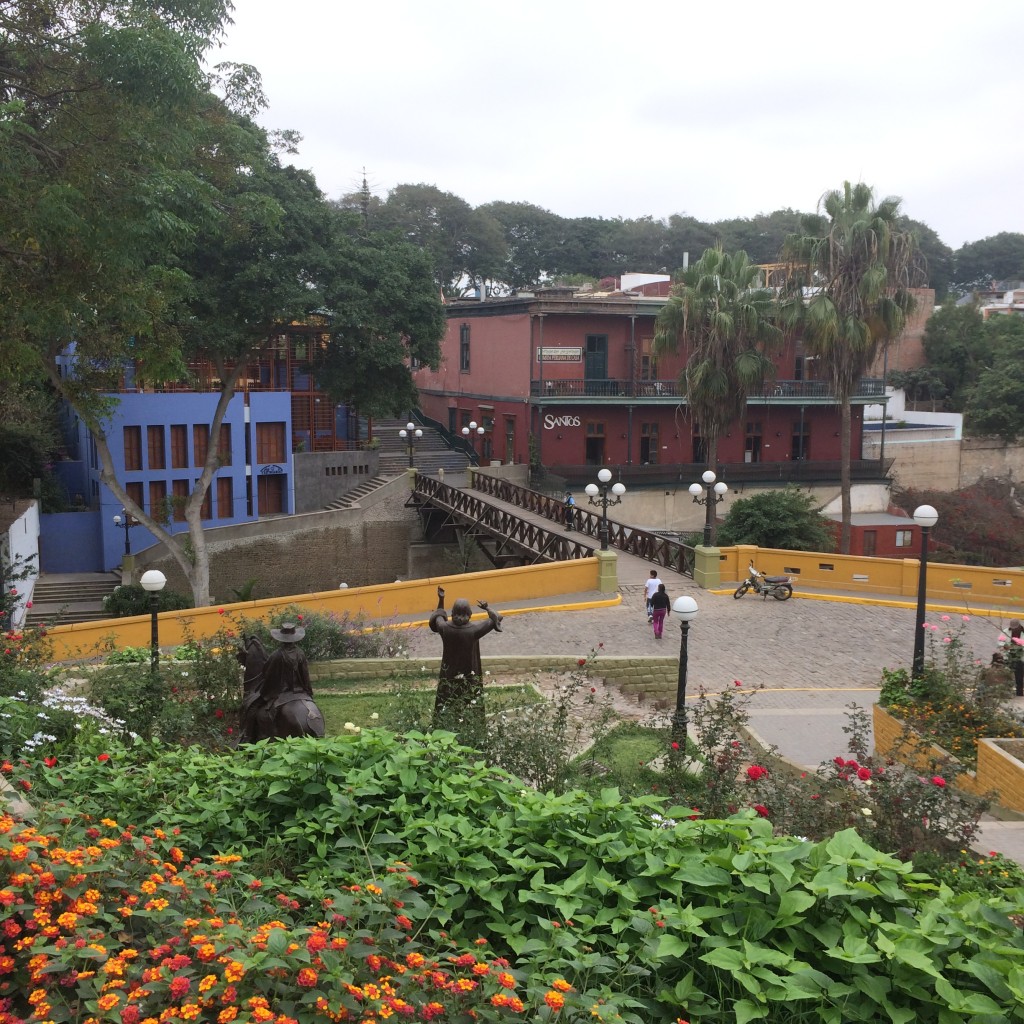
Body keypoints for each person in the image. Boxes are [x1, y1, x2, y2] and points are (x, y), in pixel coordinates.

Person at [429, 586, 502, 737]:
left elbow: (438, 616)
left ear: (453, 613)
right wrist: (487, 607)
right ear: (469, 614)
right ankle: (472, 731)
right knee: (470, 701)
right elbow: (497, 617)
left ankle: (442, 729)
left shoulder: (445, 628)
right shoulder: (474, 630)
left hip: (448, 675)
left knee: (446, 699)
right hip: (469, 676)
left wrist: (441, 599)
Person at [1010, 619, 1024, 697]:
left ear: (1019, 626)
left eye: (1015, 628)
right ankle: (1006, 691)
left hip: (1021, 657)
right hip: (1009, 655)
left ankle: (1019, 692)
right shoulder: (1007, 631)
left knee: (1019, 675)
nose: (1014, 629)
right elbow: (1000, 641)